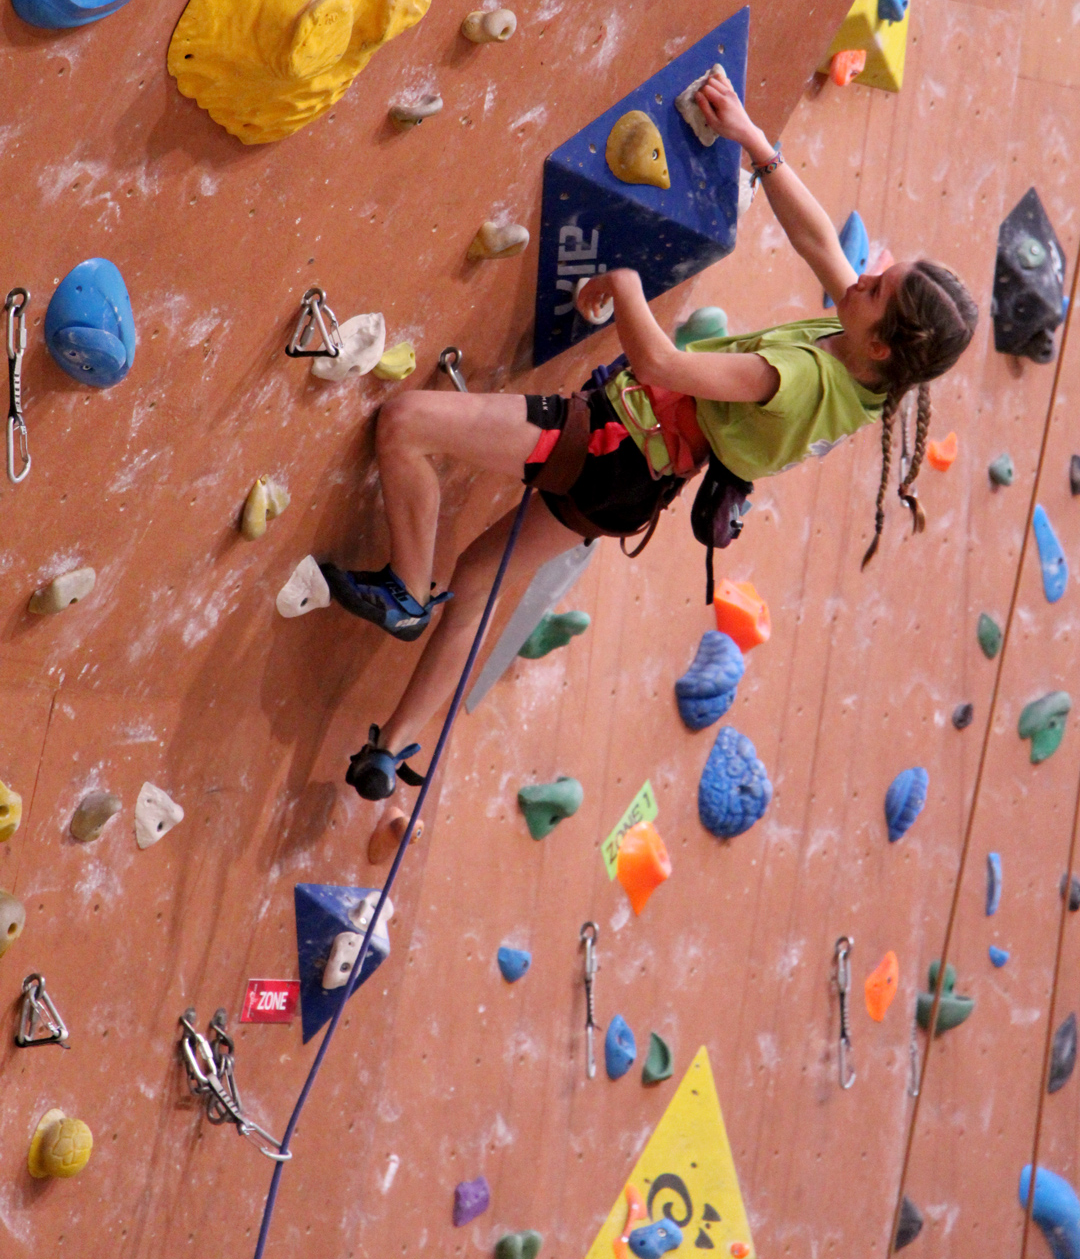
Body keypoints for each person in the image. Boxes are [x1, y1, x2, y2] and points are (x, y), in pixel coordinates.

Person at [320, 68, 978, 862]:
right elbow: (821, 244)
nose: (862, 276)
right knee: (484, 576)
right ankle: (393, 746)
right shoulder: (871, 372)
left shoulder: (802, 377)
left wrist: (626, 286)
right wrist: (754, 143)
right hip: (639, 483)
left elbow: (661, 363)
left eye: (874, 289)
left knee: (406, 424)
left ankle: (404, 590)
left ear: (883, 341)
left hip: (613, 441)